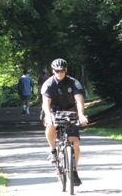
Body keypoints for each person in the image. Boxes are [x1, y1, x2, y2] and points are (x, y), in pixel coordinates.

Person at [41, 58, 88, 186]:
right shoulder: (48, 84)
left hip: (70, 112)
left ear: (66, 70)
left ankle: (74, 170)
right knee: (50, 125)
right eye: (57, 71)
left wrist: (81, 114)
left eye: (62, 71)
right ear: (53, 71)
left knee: (75, 142)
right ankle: (53, 151)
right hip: (54, 111)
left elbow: (79, 99)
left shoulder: (73, 83)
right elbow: (46, 103)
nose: (59, 73)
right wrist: (48, 116)